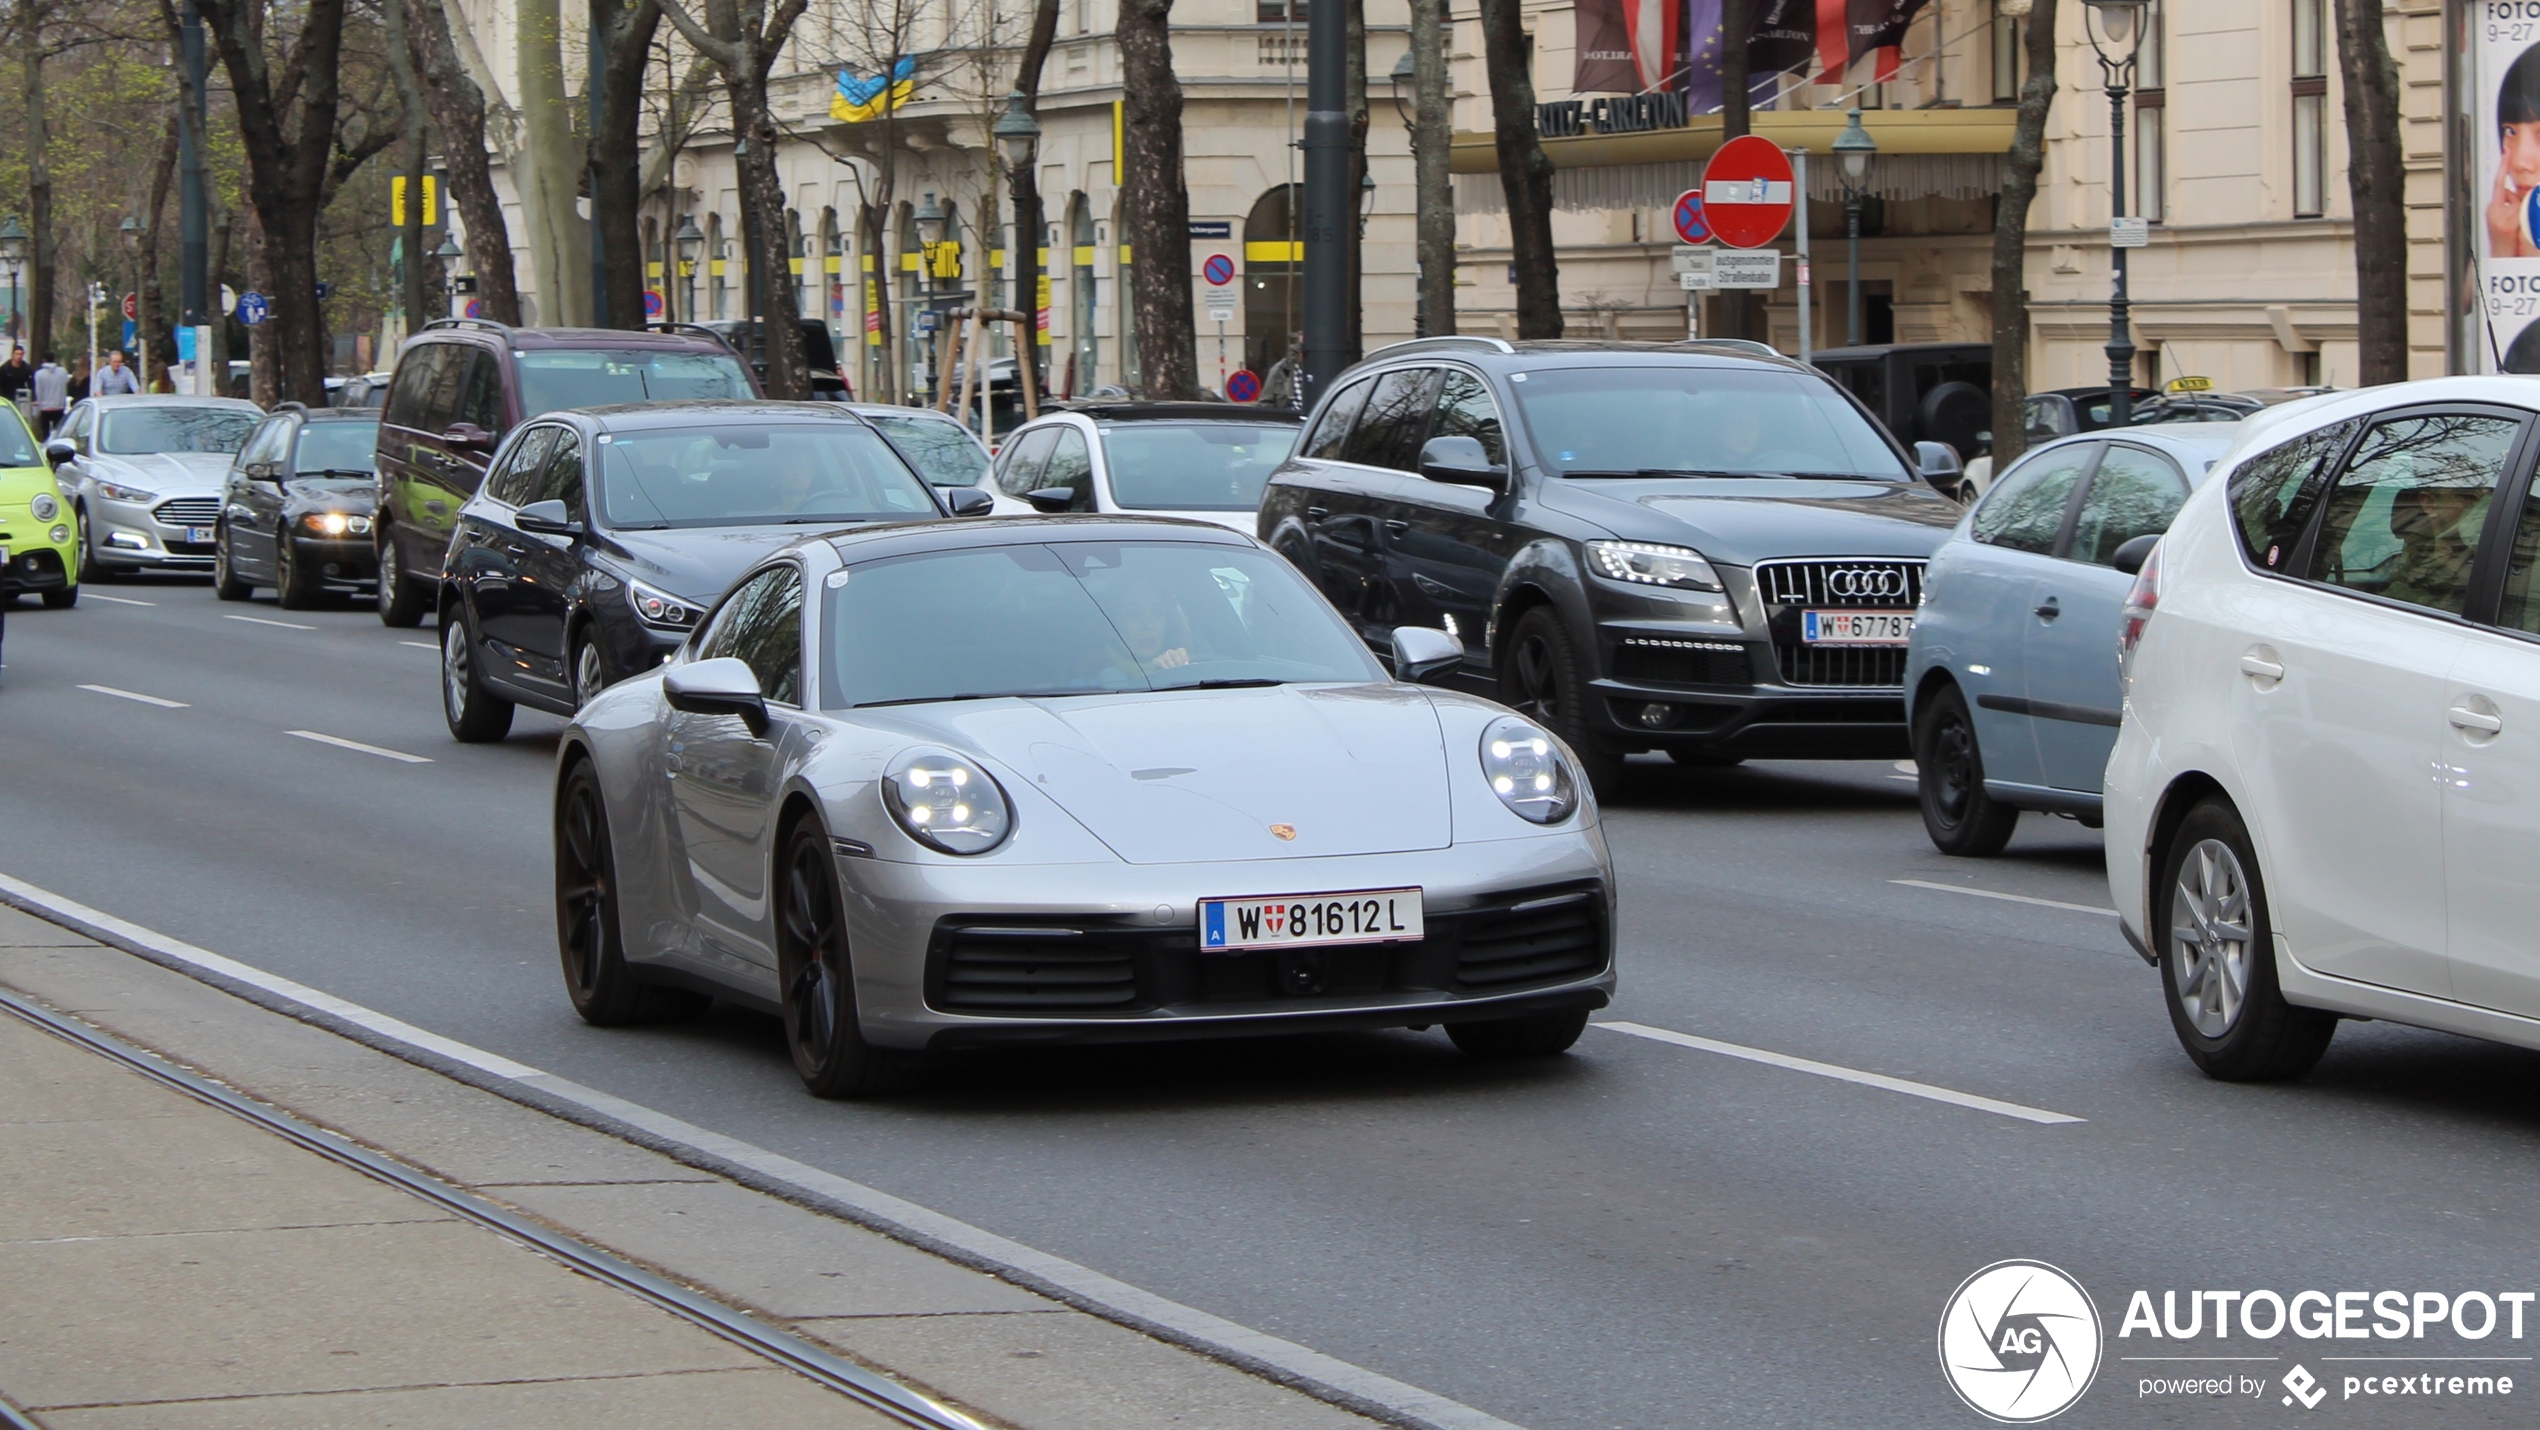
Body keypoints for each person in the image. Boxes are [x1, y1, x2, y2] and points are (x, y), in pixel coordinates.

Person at [1259, 333, 1304, 410]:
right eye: (1300, 347)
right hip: (1289, 418)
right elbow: (1266, 403)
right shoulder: (1279, 371)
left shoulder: (1323, 370)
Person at [30, 354, 67, 437]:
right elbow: (65, 383)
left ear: (44, 360)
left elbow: (38, 390)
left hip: (45, 407)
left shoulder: (39, 374)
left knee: (45, 431)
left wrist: (38, 403)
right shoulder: (62, 372)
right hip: (59, 405)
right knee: (57, 431)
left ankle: (46, 444)